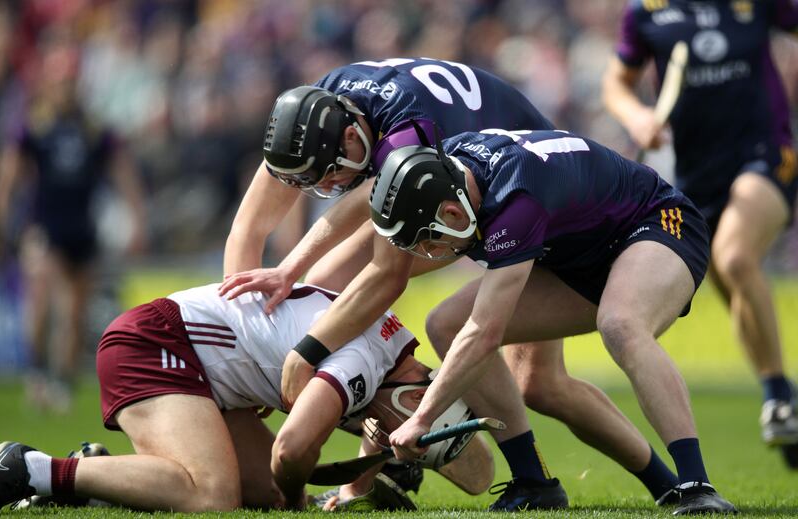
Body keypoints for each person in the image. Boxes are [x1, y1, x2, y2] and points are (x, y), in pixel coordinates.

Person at [220, 58, 680, 509]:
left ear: (349, 134)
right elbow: (248, 227)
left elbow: (385, 275)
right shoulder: (318, 112)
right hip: (507, 185)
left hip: (524, 197)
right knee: (540, 384)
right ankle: (656, 483)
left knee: (329, 298)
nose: (334, 184)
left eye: (335, 173)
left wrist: (293, 300)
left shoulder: (403, 132)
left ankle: (397, 442)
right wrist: (249, 345)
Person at [371, 127, 737, 515]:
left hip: (657, 223)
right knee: (448, 325)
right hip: (578, 253)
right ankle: (537, 482)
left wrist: (423, 418)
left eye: (429, 240)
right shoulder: (460, 167)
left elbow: (484, 333)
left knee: (622, 325)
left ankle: (697, 486)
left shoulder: (516, 199)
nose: (430, 254)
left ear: (451, 212)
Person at [0, 282, 487, 512]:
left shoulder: (388, 340)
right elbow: (292, 449)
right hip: (156, 345)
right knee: (213, 497)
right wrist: (299, 499)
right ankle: (26, 469)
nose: (382, 432)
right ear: (412, 398)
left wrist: (341, 488)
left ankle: (93, 478)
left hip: (191, 360)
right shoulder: (365, 363)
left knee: (262, 498)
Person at [602, 1, 798, 461]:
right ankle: (781, 393)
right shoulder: (647, 12)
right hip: (695, 173)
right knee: (729, 280)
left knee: (733, 257)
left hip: (766, 153)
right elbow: (617, 83)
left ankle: (779, 399)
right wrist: (636, 117)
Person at [0, 36, 147, 413]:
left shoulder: (94, 129)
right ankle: (36, 372)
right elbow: (11, 174)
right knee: (42, 301)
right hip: (43, 226)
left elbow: (122, 171)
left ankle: (61, 380)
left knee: (74, 310)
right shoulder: (35, 124)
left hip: (81, 228)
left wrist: (137, 218)